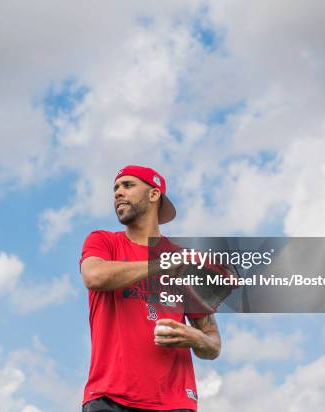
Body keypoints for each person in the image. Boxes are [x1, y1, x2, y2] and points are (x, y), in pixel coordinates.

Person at [80, 165, 221, 412]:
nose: (117, 193)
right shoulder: (103, 241)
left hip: (175, 402)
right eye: (115, 188)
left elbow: (213, 344)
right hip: (110, 398)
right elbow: (94, 276)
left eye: (128, 185)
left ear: (154, 195)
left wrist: (195, 338)